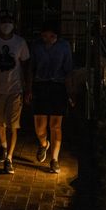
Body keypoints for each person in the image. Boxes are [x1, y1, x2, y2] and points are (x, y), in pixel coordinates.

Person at [0, 9, 31, 174]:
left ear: (14, 24)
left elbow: (26, 65)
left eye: (9, 21)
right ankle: (3, 146)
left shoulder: (20, 42)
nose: (6, 25)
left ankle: (9, 158)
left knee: (13, 125)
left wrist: (28, 88)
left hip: (15, 89)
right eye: (3, 21)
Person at [28, 22, 73, 174]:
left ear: (57, 36)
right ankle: (43, 143)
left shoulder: (64, 46)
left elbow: (68, 70)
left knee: (56, 125)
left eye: (51, 36)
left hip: (57, 86)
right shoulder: (36, 46)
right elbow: (31, 68)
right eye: (45, 35)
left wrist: (70, 92)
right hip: (40, 85)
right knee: (40, 126)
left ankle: (54, 159)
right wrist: (28, 88)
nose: (48, 39)